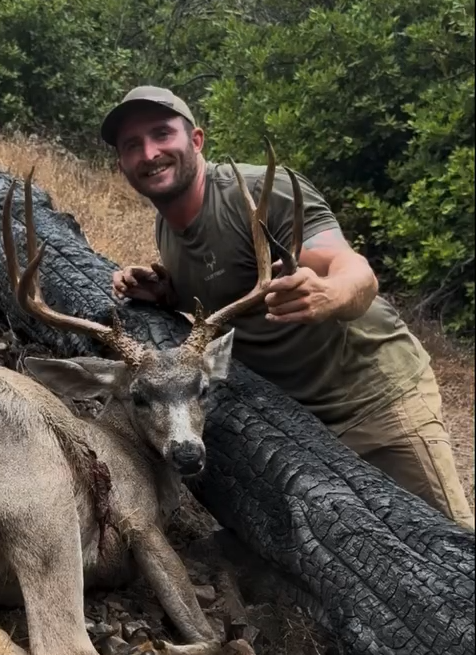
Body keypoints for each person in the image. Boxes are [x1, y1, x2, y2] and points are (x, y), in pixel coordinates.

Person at [101, 85, 473, 529]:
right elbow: (223, 286)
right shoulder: (168, 223)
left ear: (196, 140)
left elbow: (353, 269)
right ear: (122, 162)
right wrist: (165, 291)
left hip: (373, 399)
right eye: (132, 145)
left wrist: (329, 294)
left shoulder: (259, 193)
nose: (149, 153)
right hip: (296, 420)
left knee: (449, 541)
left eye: (162, 134)